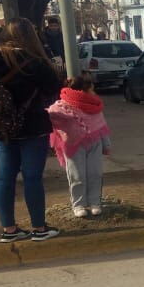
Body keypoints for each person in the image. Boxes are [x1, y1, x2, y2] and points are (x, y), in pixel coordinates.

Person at [0, 18, 62, 242]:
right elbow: (53, 87)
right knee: (32, 177)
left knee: (4, 178)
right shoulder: (36, 62)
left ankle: (9, 230)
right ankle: (39, 228)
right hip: (32, 125)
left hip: (2, 126)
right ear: (30, 36)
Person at [47, 72, 111, 218]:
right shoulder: (63, 105)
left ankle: (95, 202)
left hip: (94, 144)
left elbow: (101, 125)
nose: (94, 89)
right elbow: (52, 114)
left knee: (95, 173)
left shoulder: (94, 105)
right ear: (84, 89)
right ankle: (78, 205)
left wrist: (106, 144)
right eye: (91, 87)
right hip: (73, 145)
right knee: (77, 175)